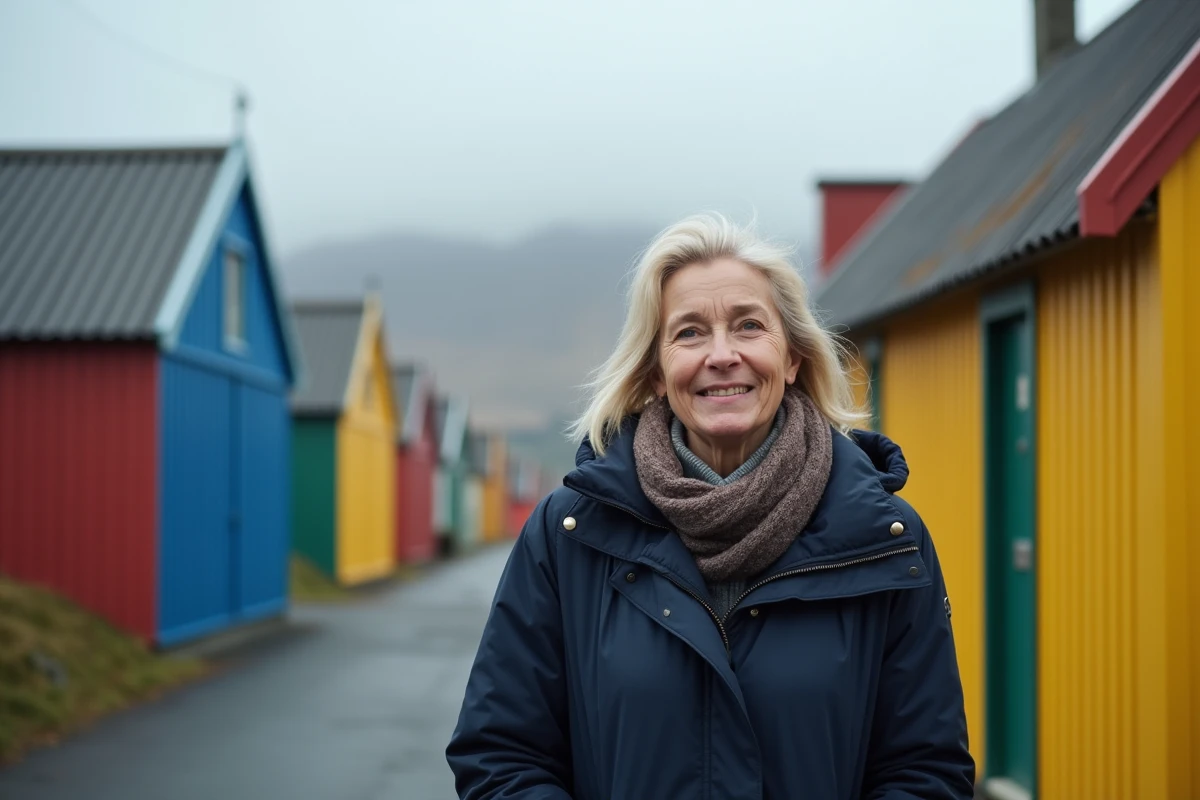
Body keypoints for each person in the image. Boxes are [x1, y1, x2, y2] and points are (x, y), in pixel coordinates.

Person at [446, 213, 975, 799]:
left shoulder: (884, 538)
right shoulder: (568, 534)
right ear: (655, 372)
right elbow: (500, 755)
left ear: (794, 357)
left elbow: (924, 770)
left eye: (749, 326)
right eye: (690, 332)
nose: (722, 355)